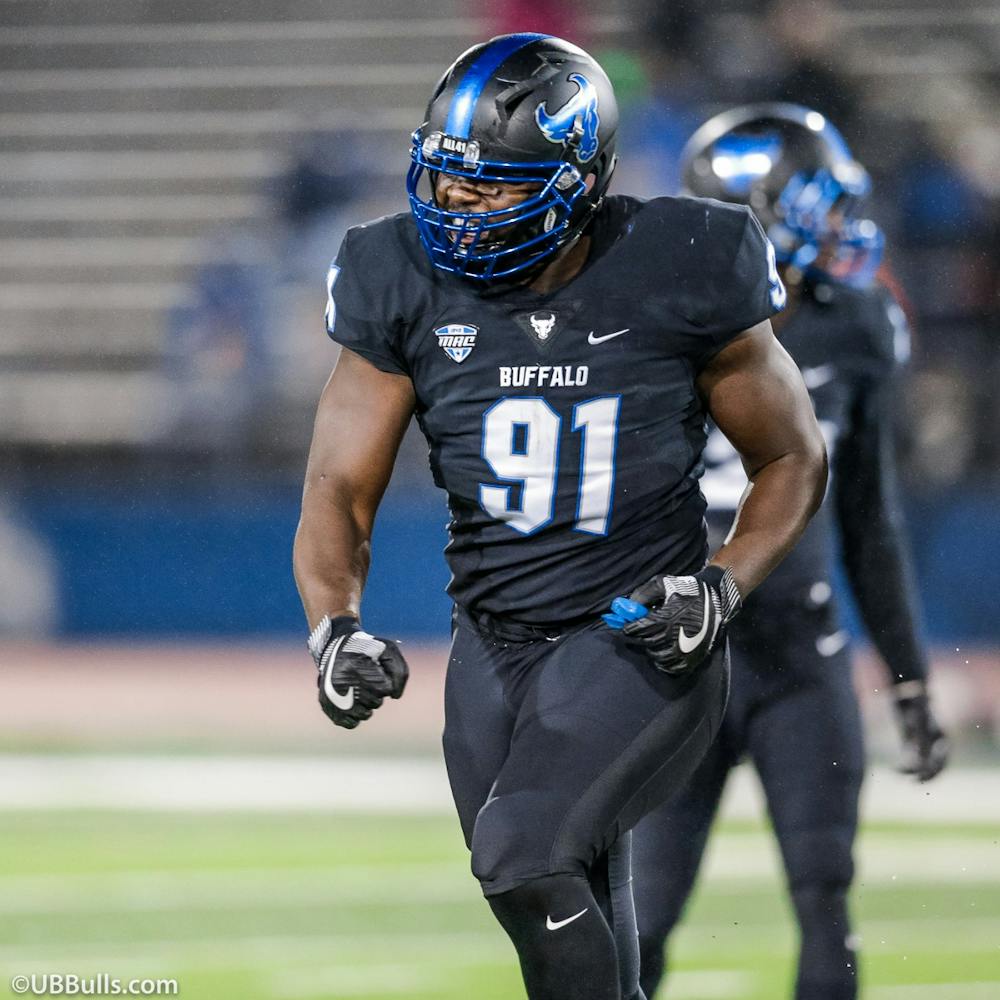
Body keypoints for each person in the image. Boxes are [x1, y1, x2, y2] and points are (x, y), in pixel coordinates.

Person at [293, 37, 828, 1000]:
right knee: (553, 887)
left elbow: (791, 456)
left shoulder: (685, 259)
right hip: (492, 645)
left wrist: (723, 585)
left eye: (492, 188)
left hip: (636, 636)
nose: (456, 206)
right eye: (447, 180)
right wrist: (335, 629)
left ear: (577, 183)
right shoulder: (396, 272)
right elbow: (338, 488)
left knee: (522, 853)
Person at [631, 104, 950, 1000]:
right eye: (821, 204)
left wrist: (908, 674)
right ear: (759, 215)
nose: (844, 227)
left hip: (799, 658)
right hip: (675, 666)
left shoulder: (857, 322)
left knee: (825, 903)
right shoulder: (656, 325)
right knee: (639, 919)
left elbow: (867, 515)